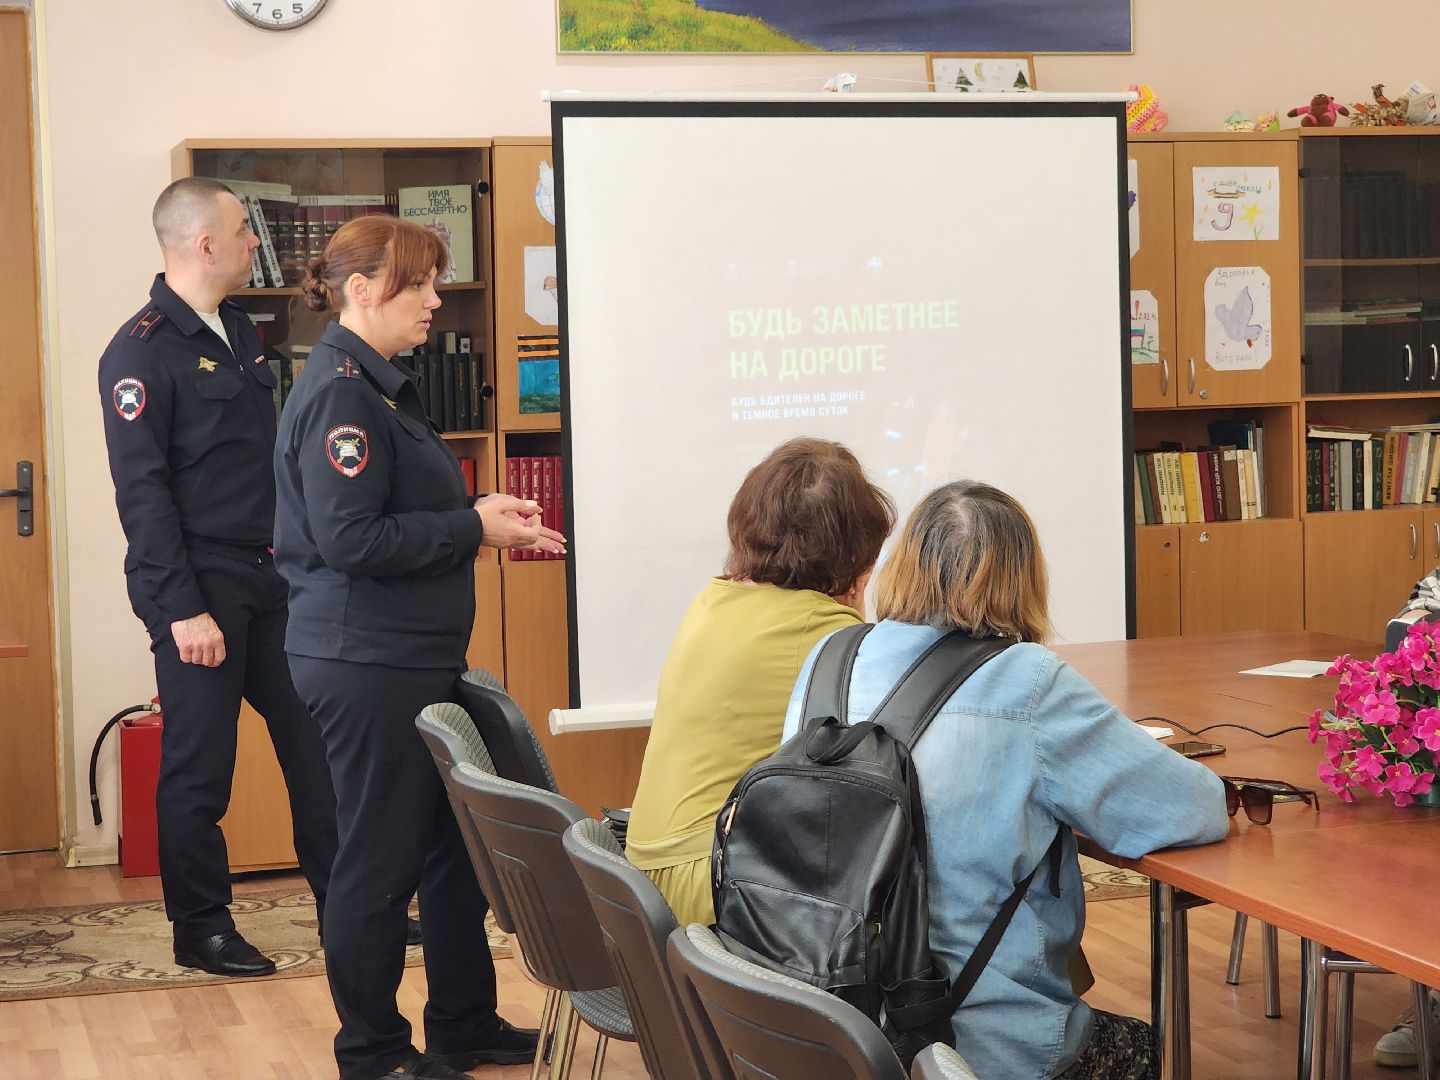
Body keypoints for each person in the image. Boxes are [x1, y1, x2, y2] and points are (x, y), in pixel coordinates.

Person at [780, 480, 1230, 1080]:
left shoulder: (830, 657)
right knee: (1152, 1051)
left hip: (829, 1030)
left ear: (905, 562)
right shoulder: (1027, 681)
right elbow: (1191, 809)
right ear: (1022, 577)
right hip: (973, 1049)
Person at [274, 214, 563, 1080]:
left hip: (407, 656)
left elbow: (394, 515)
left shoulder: (382, 385)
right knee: (378, 862)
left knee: (451, 851)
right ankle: (372, 1053)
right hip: (367, 662)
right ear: (363, 291)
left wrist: (478, 519)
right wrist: (470, 526)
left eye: (437, 281)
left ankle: (463, 1024)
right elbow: (351, 540)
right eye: (420, 284)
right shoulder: (342, 395)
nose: (436, 300)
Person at [98, 177, 338, 978]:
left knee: (316, 744)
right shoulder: (138, 353)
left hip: (269, 575)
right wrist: (182, 609)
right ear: (205, 244)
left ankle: (350, 905)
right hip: (198, 584)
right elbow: (142, 494)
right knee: (200, 767)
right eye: (243, 230)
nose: (253, 242)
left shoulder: (238, 329)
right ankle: (200, 929)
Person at [626, 438, 895, 926]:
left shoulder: (715, 597)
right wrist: (854, 605)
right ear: (856, 556)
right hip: (713, 884)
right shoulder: (824, 629)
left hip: (650, 879)